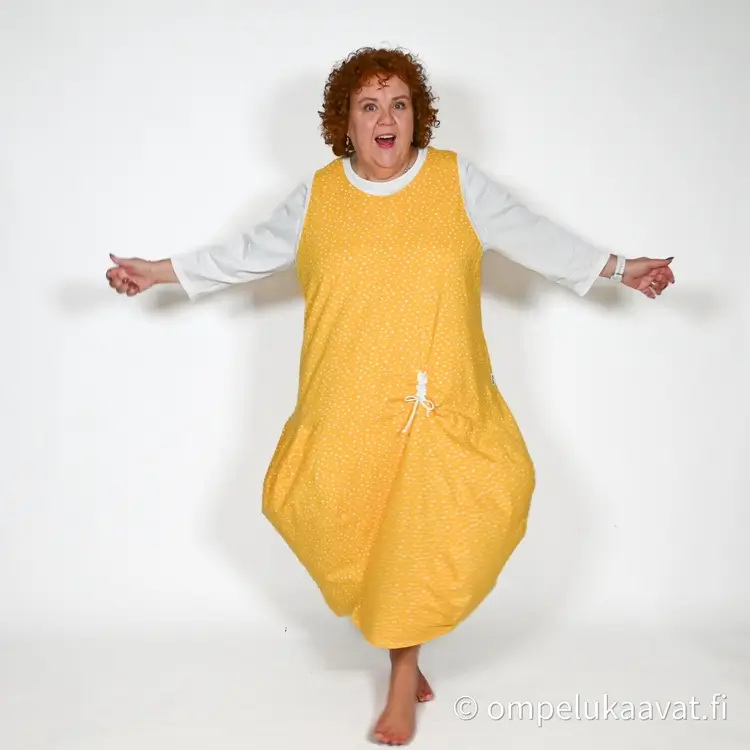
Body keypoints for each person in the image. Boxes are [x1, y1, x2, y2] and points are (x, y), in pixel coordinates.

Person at [106, 46, 675, 745]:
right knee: (331, 517)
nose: (386, 119)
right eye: (369, 105)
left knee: (423, 529)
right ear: (345, 122)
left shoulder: (456, 182)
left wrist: (620, 267)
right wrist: (158, 271)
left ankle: (403, 675)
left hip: (436, 401)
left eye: (399, 104)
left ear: (417, 116)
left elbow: (538, 237)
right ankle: (399, 634)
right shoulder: (319, 195)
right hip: (344, 402)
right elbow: (243, 253)